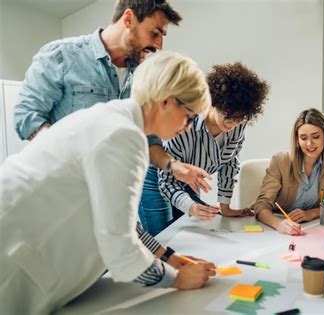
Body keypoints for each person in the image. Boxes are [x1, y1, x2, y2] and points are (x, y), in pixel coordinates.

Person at [0, 52, 216, 315]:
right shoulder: (124, 136)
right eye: (190, 116)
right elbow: (120, 250)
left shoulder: (111, 120)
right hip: (14, 262)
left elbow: (120, 221)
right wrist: (177, 279)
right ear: (167, 101)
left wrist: (169, 257)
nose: (189, 127)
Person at [13, 0, 211, 194]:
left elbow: (148, 137)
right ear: (128, 19)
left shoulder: (142, 75)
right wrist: (72, 161)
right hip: (59, 194)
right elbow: (26, 116)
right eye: (154, 33)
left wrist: (172, 165)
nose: (158, 45)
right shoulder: (62, 55)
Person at [145, 62, 269, 229]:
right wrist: (191, 207)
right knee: (163, 234)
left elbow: (229, 164)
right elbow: (167, 182)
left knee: (190, 228)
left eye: (240, 118)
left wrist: (225, 207)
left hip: (191, 178)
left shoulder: (238, 124)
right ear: (213, 102)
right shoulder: (185, 126)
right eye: (228, 116)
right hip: (158, 177)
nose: (233, 124)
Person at [253, 108, 324, 235]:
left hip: (313, 228)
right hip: (278, 227)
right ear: (297, 140)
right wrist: (278, 224)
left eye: (316, 137)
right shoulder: (281, 160)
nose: (309, 143)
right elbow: (261, 206)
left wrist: (311, 214)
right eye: (303, 138)